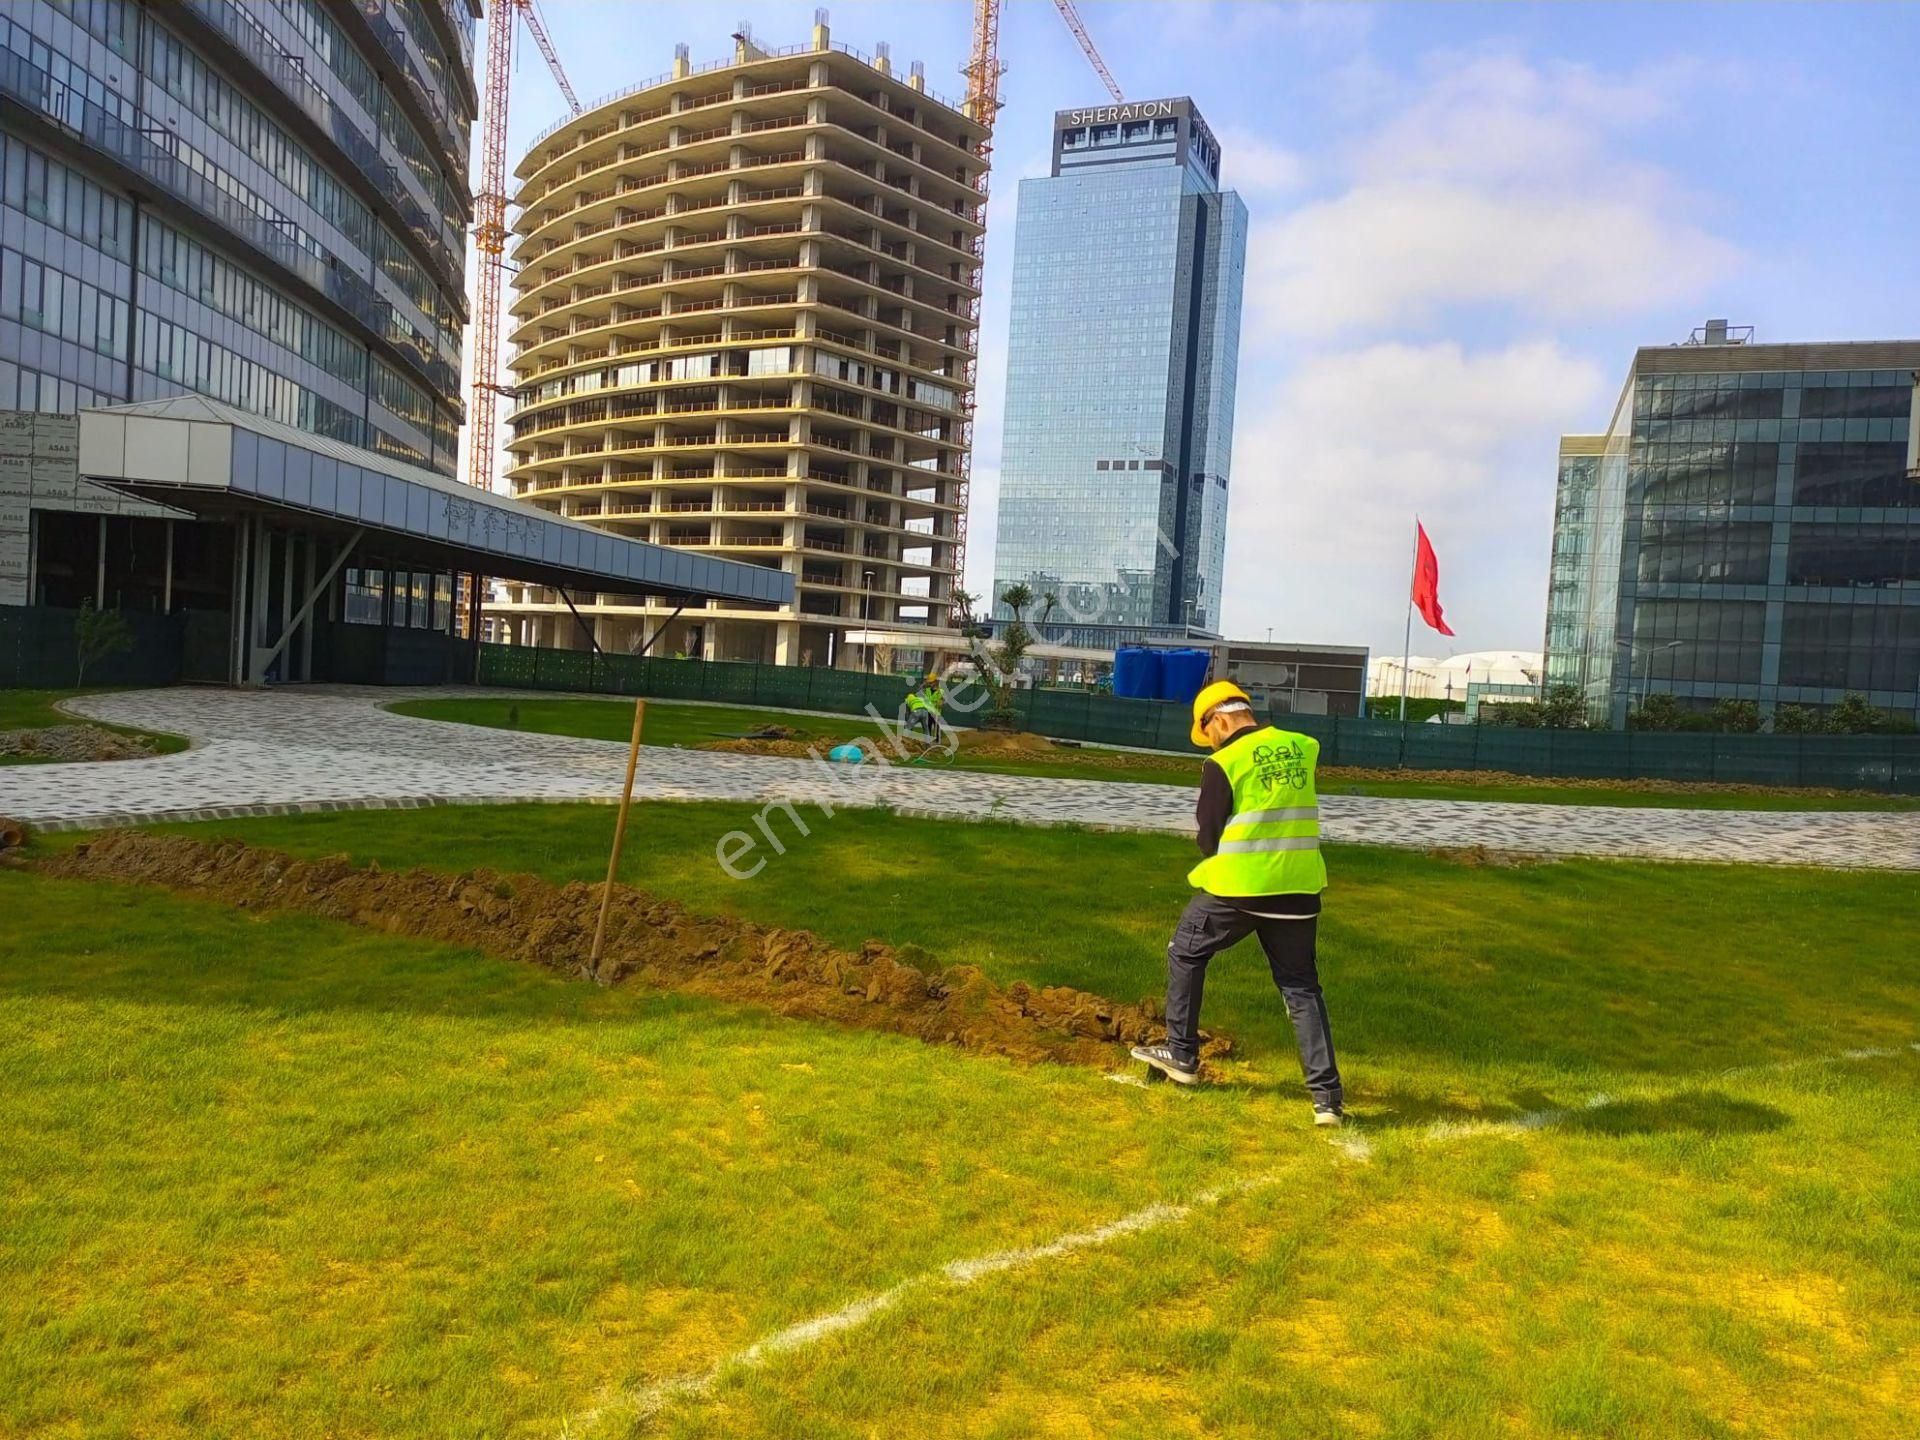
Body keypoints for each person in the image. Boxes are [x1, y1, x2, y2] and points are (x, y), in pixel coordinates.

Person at [1130, 681, 1345, 1126]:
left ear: (1220, 720)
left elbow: (1208, 836)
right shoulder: (1302, 747)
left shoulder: (1223, 762)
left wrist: (1219, 849)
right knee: (1301, 988)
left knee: (1186, 950)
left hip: (1241, 887)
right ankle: (1327, 1099)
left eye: (1206, 731)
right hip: (1299, 889)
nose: (1207, 741)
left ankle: (1181, 1054)